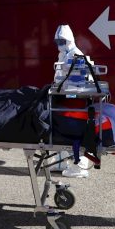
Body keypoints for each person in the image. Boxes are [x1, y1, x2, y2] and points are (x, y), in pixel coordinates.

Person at [51, 25, 92, 178]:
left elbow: (80, 79)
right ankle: (61, 161)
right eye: (57, 41)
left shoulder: (76, 55)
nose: (59, 43)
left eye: (62, 40)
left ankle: (79, 166)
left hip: (76, 99)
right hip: (65, 97)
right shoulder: (63, 55)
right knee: (59, 129)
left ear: (69, 40)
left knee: (74, 130)